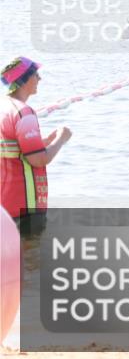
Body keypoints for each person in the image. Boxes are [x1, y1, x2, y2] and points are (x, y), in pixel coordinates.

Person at [1, 57, 72, 237]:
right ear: (24, 79)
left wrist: (43, 142)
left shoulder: (3, 108)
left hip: (5, 206)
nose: (39, 79)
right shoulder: (24, 112)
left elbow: (10, 148)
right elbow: (39, 159)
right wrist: (61, 139)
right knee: (31, 261)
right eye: (36, 75)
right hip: (25, 209)